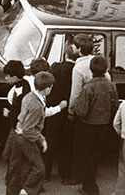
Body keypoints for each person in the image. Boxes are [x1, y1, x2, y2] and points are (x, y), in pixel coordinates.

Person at [72, 55, 118, 195]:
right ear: (106, 69)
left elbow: (81, 111)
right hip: (104, 125)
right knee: (96, 155)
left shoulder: (88, 87)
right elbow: (115, 105)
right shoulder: (111, 85)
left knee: (86, 155)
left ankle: (89, 186)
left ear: (91, 70)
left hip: (88, 125)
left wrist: (74, 108)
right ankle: (90, 184)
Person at [5, 71, 55, 195]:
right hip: (26, 139)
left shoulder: (28, 96)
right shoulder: (36, 106)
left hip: (17, 134)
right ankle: (27, 190)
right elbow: (28, 130)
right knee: (39, 169)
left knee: (16, 168)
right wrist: (41, 139)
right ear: (47, 89)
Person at [43, 45, 76, 184]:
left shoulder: (55, 68)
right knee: (66, 144)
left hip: (54, 109)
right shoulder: (77, 70)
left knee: (50, 142)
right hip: (69, 111)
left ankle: (46, 173)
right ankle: (65, 174)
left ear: (65, 55)